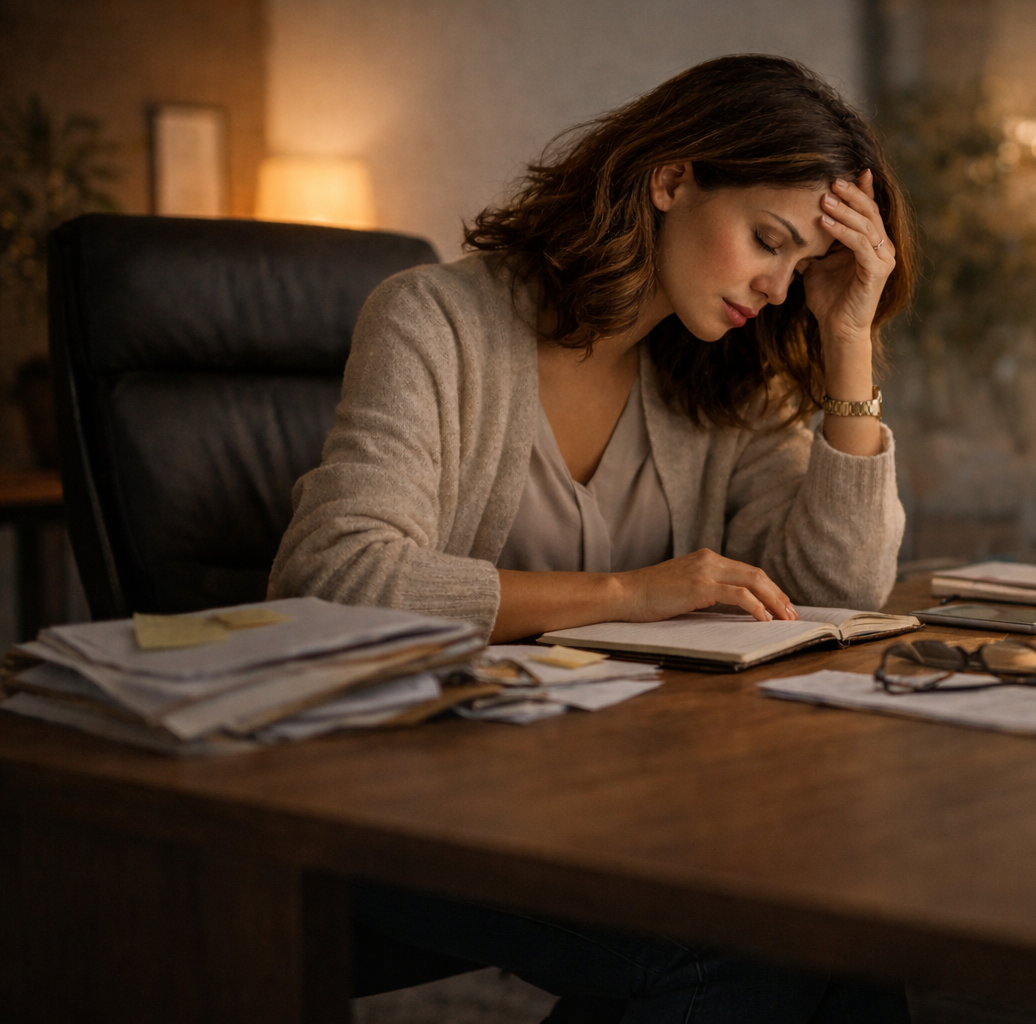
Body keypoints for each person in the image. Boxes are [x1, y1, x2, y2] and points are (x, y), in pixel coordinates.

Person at [270, 54, 913, 1022]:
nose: (778, 289)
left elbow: (836, 592)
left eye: (802, 269)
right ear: (671, 178)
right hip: (407, 797)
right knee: (735, 945)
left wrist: (849, 339)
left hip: (614, 792)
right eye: (767, 241)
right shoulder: (435, 321)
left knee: (843, 925)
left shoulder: (721, 374)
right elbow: (333, 578)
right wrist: (629, 594)